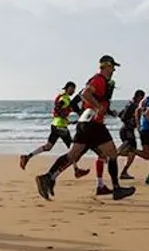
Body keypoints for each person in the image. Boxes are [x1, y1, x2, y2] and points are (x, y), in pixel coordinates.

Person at [33, 56, 135, 203]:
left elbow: (93, 99)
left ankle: (48, 177)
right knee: (112, 153)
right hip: (93, 124)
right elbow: (85, 94)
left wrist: (109, 111)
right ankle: (117, 189)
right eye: (112, 67)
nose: (114, 70)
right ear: (106, 66)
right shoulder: (99, 80)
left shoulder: (104, 82)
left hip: (86, 123)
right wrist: (98, 107)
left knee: (73, 155)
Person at [19, 83, 87, 176]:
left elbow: (60, 109)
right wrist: (63, 116)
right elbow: (58, 108)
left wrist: (66, 119)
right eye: (71, 89)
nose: (73, 91)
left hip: (56, 125)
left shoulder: (64, 98)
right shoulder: (65, 99)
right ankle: (76, 170)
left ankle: (27, 157)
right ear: (67, 88)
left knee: (48, 146)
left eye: (74, 89)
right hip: (60, 126)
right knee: (73, 149)